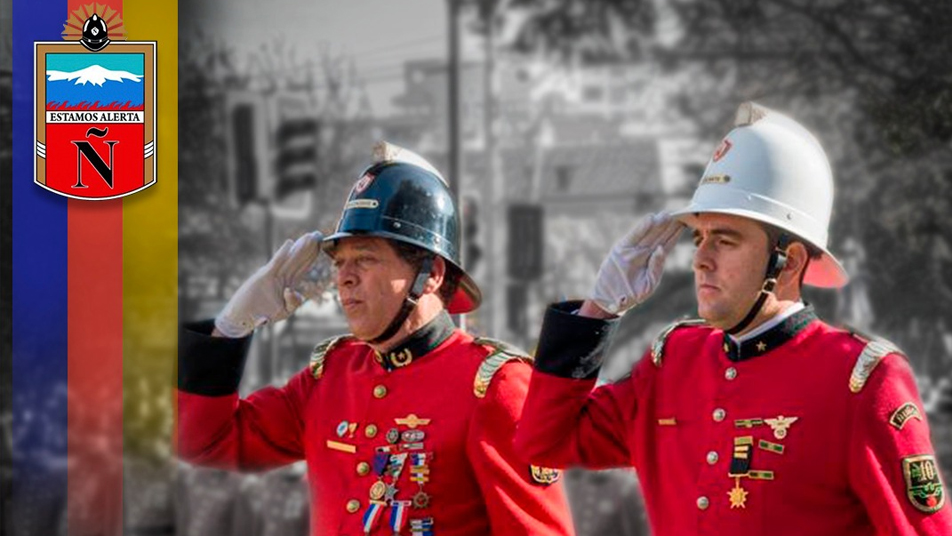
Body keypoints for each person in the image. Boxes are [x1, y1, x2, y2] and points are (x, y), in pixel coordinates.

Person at [513, 102, 952, 535]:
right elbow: (543, 441)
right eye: (700, 237)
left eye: (725, 240)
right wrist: (599, 310)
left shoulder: (861, 382)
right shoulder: (674, 363)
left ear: (789, 261)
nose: (701, 259)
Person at [176, 142, 574, 536]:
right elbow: (203, 443)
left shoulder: (497, 387)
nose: (344, 278)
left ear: (431, 273)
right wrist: (230, 327)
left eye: (365, 258)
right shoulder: (329, 376)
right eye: (340, 262)